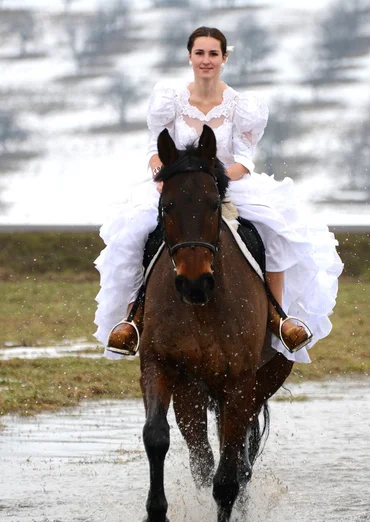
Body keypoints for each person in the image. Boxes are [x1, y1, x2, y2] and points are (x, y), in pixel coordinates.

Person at [94, 26, 343, 363]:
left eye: (213, 54)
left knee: (275, 229)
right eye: (200, 53)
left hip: (229, 185)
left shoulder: (242, 106)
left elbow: (243, 160)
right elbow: (156, 151)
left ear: (224, 58)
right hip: (179, 188)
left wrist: (215, 178)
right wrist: (161, 175)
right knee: (134, 235)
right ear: (190, 57)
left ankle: (277, 317)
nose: (206, 60)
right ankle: (133, 319)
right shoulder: (170, 101)